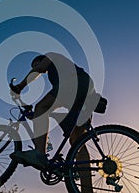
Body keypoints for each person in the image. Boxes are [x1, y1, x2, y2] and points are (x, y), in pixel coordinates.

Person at [10, 52, 96, 192]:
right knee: (77, 143)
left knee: (41, 106)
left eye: (35, 64)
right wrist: (37, 116)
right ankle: (87, 190)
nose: (37, 68)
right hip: (87, 93)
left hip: (78, 83)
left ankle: (39, 154)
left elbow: (37, 70)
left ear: (40, 60)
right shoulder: (60, 73)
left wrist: (19, 87)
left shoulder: (50, 56)